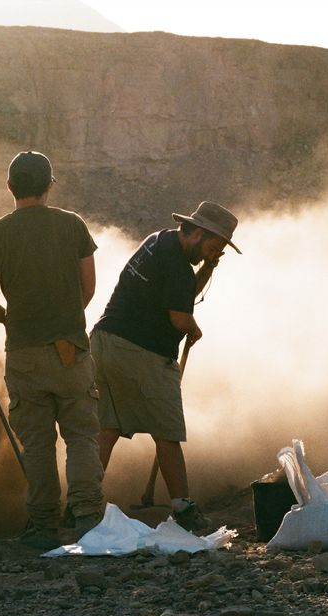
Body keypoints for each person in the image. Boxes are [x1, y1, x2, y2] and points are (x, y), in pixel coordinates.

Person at [0, 151, 104, 551]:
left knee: (39, 443)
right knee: (81, 435)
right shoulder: (72, 225)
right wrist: (61, 316)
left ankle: (43, 524)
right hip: (70, 350)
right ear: (49, 186)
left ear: (10, 187)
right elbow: (89, 289)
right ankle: (87, 518)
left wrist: (11, 319)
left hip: (23, 352)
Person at [92, 201, 240, 533]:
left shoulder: (158, 241)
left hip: (103, 341)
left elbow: (181, 294)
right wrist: (193, 328)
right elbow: (179, 315)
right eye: (212, 248)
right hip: (140, 350)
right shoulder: (176, 263)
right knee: (167, 431)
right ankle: (183, 508)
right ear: (199, 232)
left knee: (108, 428)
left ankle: (82, 506)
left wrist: (210, 268)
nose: (209, 255)